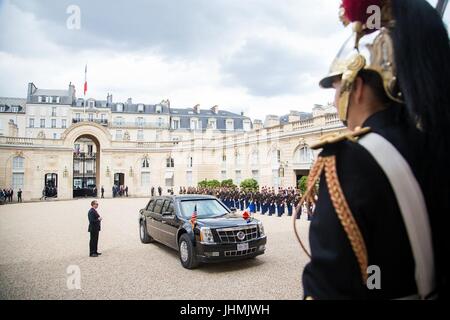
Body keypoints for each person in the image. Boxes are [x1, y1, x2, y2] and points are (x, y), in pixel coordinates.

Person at [298, 0, 450, 300]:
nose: (333, 101)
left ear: (358, 87)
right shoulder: (433, 144)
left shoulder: (348, 160)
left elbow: (329, 287)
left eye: (336, 87)